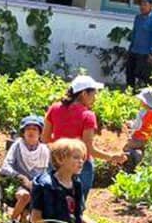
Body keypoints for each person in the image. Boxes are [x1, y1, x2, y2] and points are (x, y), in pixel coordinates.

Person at [44, 75, 126, 208]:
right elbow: (88, 149)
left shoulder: (54, 108)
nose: (95, 97)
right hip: (80, 165)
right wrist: (112, 157)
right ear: (83, 93)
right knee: (77, 206)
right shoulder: (87, 115)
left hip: (56, 161)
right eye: (93, 93)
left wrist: (61, 150)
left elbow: (45, 138)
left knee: (54, 202)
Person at [0, 115, 50, 223]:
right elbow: (5, 166)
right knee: (25, 196)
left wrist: (35, 183)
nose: (31, 132)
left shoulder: (44, 150)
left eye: (34, 129)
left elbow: (45, 173)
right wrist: (20, 177)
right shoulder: (17, 146)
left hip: (35, 185)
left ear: (40, 133)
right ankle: (11, 221)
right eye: (28, 128)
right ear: (23, 132)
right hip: (15, 181)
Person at [126, 0, 152, 89]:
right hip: (134, 50)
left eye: (145, 4)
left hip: (146, 53)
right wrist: (130, 48)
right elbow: (134, 33)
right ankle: (130, 94)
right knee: (130, 74)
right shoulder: (138, 18)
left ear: (151, 6)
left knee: (144, 77)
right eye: (141, 4)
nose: (142, 7)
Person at [122, 87, 152, 171]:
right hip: (148, 139)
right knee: (141, 147)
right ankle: (141, 156)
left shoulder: (142, 112)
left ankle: (134, 157)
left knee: (125, 147)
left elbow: (137, 126)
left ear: (145, 102)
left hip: (137, 138)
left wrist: (130, 124)